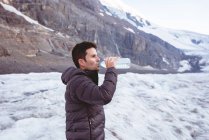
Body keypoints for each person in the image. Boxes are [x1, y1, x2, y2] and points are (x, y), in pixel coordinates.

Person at [61, 41, 118, 140]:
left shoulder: (85, 80)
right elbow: (104, 95)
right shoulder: (79, 82)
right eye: (93, 56)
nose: (98, 59)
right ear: (82, 62)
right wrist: (111, 69)